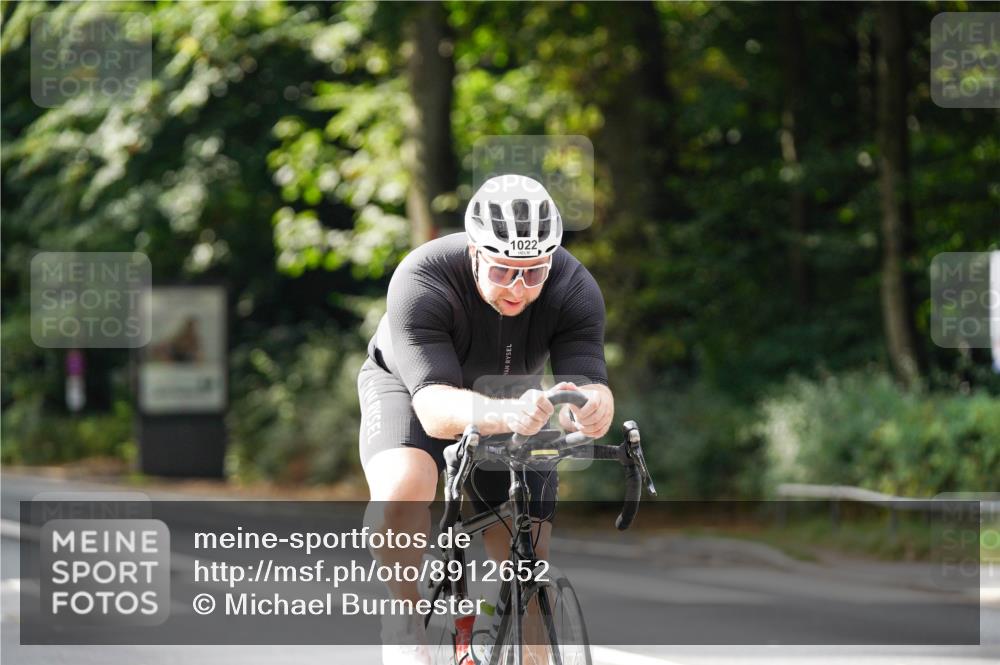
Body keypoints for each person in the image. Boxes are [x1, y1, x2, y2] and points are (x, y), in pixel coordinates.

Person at [358, 174, 614, 665]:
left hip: (511, 397)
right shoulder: (423, 276)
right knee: (404, 486)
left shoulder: (574, 285)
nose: (518, 288)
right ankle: (405, 619)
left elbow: (588, 380)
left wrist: (594, 406)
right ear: (474, 252)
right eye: (502, 271)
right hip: (413, 389)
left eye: (533, 273)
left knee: (527, 567)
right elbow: (433, 412)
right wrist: (505, 412)